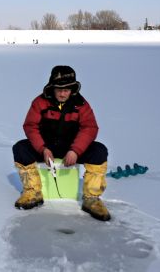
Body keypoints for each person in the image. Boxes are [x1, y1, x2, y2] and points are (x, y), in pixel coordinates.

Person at [12, 65, 111, 221]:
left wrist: (75, 151)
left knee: (99, 150)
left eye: (67, 89)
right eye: (59, 89)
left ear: (72, 89)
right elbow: (30, 126)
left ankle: (91, 198)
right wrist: (42, 148)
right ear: (52, 87)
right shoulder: (40, 102)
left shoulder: (81, 105)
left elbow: (90, 127)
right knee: (20, 148)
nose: (63, 93)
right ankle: (33, 192)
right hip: (46, 147)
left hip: (71, 149)